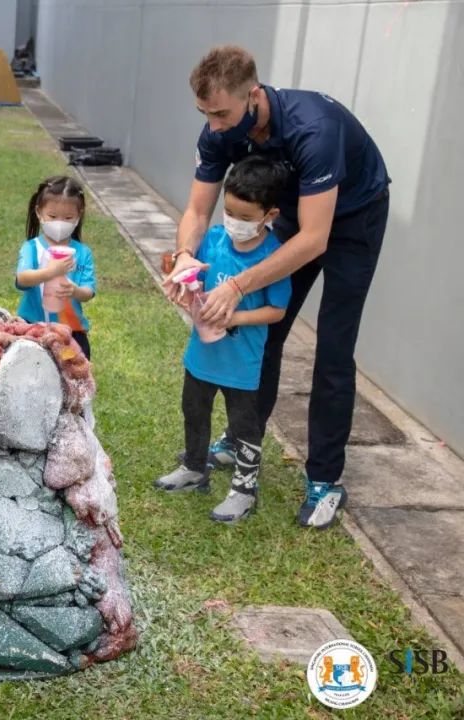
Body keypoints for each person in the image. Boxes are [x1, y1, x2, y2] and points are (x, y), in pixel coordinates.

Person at [165, 45, 390, 529]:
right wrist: (185, 258)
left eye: (222, 112)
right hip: (288, 214)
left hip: (354, 218)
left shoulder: (314, 128)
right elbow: (199, 211)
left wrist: (239, 285)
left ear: (254, 94)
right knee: (268, 335)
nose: (215, 125)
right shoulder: (220, 130)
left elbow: (315, 238)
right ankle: (244, 439)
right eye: (205, 113)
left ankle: (325, 481)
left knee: (333, 348)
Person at [155, 156, 292, 524]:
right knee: (194, 411)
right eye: (229, 212)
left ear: (270, 214)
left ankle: (244, 490)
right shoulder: (213, 240)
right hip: (201, 356)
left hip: (241, 365)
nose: (235, 223)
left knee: (244, 427)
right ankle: (195, 468)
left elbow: (277, 311)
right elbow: (192, 277)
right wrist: (176, 273)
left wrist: (236, 317)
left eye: (246, 218)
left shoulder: (273, 258)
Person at [14, 175, 97, 359]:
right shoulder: (32, 248)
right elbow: (22, 278)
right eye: (52, 216)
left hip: (71, 331)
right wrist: (52, 272)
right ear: (39, 212)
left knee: (71, 377)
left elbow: (88, 291)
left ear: (79, 215)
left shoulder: (82, 252)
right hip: (32, 327)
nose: (60, 223)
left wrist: (74, 291)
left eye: (68, 218)